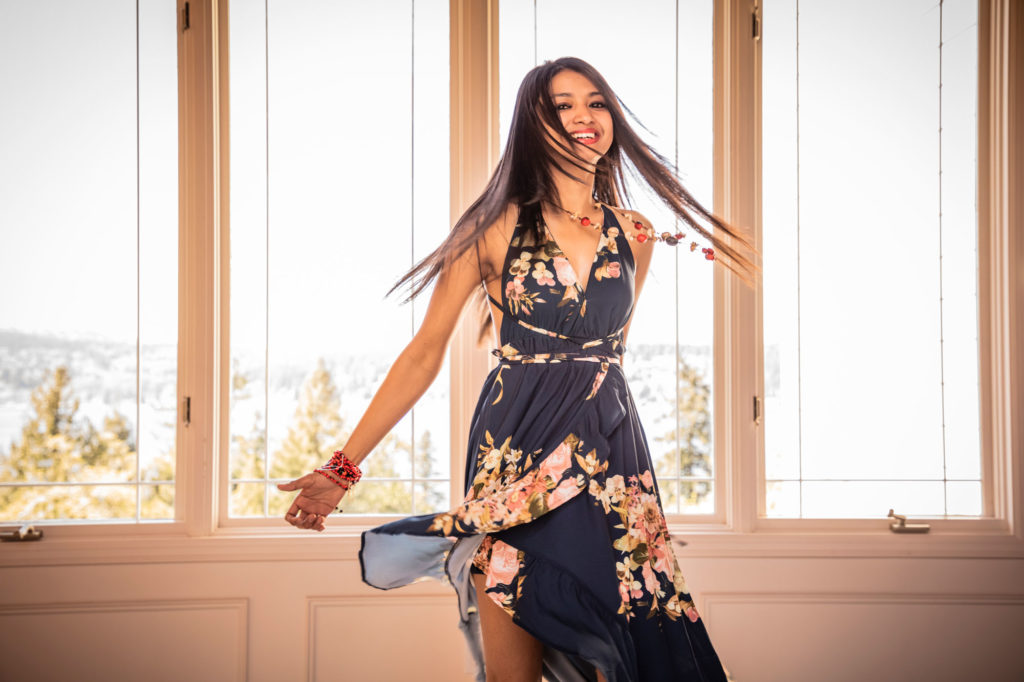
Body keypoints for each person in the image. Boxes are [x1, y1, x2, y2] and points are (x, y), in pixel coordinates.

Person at [277, 56, 758, 682]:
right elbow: (424, 353)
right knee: (514, 660)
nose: (585, 117)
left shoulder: (635, 233)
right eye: (563, 105)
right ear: (534, 124)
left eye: (596, 102)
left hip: (609, 454)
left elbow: (608, 354)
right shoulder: (493, 226)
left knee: (629, 642)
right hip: (516, 446)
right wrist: (343, 467)